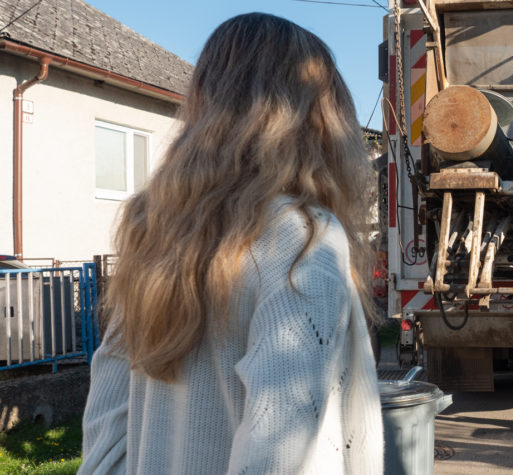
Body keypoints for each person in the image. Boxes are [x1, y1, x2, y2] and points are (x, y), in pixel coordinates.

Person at [79, 13, 384, 474]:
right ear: (318, 116)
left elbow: (106, 430)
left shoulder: (156, 235)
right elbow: (278, 450)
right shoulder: (303, 238)